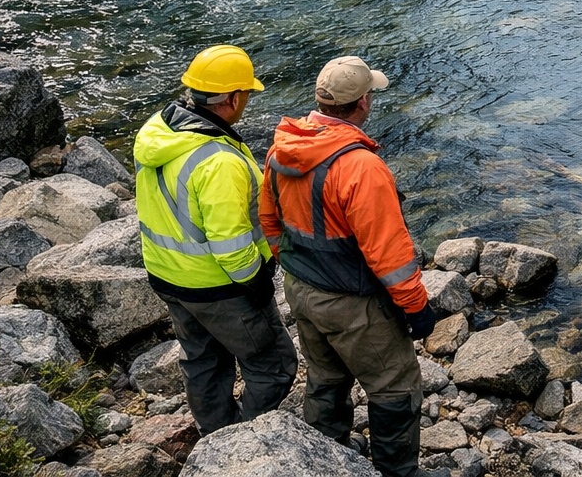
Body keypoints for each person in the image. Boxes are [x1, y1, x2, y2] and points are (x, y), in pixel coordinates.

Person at [260, 55, 435, 477]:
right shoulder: (361, 166)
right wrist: (416, 307)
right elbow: (388, 255)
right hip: (353, 302)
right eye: (370, 94)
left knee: (325, 376)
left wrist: (297, 268)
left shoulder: (283, 147)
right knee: (395, 389)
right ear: (361, 104)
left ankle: (328, 456)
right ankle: (398, 473)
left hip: (301, 290)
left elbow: (268, 221)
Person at [134, 44, 297, 434]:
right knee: (273, 366)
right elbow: (229, 241)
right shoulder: (218, 161)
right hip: (219, 286)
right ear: (235, 97)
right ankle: (241, 443)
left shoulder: (159, 129)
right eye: (247, 94)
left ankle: (215, 433)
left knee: (203, 360)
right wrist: (256, 282)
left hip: (168, 276)